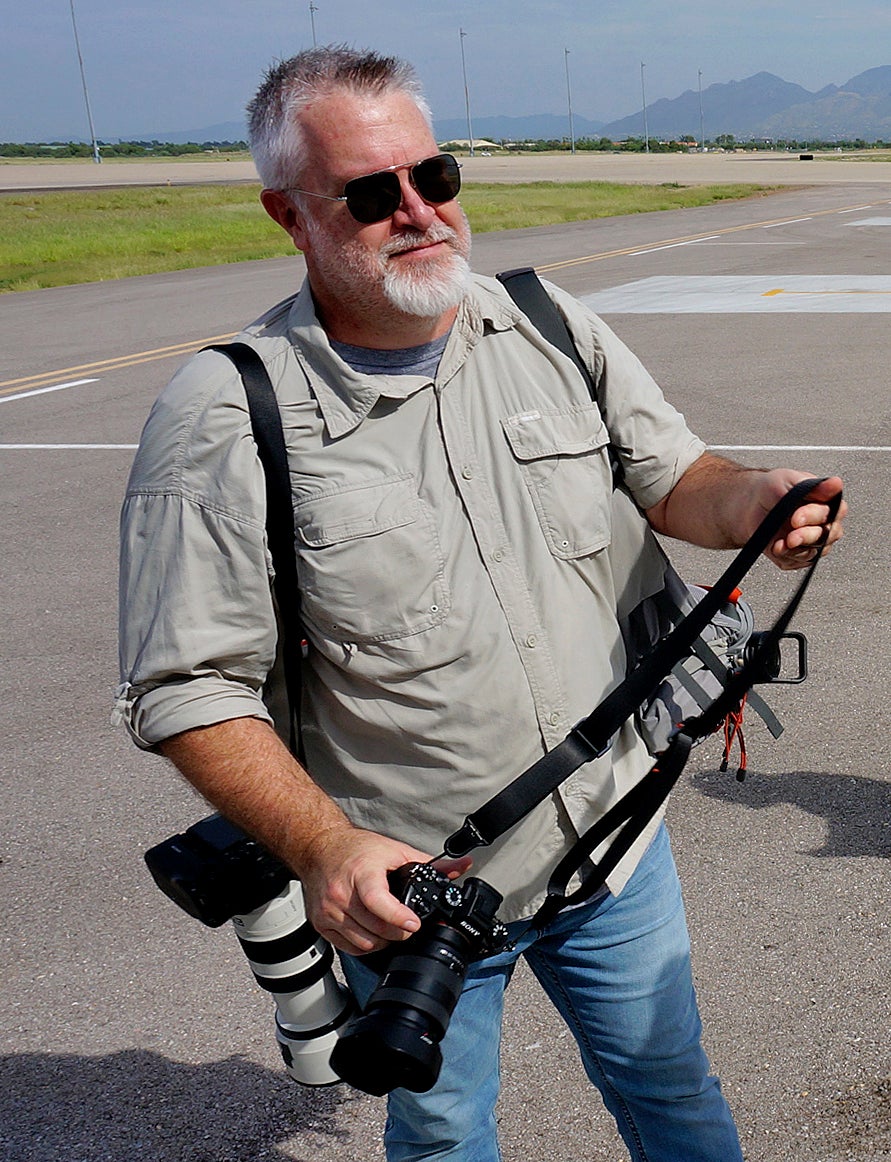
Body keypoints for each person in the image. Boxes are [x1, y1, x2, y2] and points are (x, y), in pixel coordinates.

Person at [117, 45, 846, 1162]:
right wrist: (324, 846)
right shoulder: (226, 412)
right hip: (416, 889)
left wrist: (754, 499)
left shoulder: (547, 324)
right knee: (446, 1132)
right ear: (289, 215)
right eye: (371, 194)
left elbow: (676, 479)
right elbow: (187, 685)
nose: (418, 211)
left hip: (612, 839)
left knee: (672, 1087)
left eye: (435, 175)